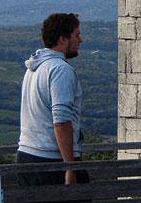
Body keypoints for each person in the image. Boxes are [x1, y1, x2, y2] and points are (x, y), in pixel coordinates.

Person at [17, 12, 88, 186]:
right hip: (52, 161)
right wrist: (70, 167)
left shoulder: (33, 68)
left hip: (27, 156)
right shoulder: (60, 70)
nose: (81, 40)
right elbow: (62, 121)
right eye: (76, 35)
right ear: (63, 39)